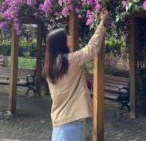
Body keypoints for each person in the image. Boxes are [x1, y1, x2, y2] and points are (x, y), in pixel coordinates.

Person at [44, 11, 108, 141]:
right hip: (72, 121)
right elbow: (91, 48)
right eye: (66, 36)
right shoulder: (70, 60)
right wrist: (102, 23)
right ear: (61, 42)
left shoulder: (50, 65)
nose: (70, 36)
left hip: (59, 122)